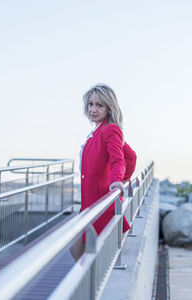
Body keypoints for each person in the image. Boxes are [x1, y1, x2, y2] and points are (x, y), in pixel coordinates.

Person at [71, 83, 137, 261]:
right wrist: (119, 179)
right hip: (90, 201)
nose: (93, 109)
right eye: (90, 104)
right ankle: (87, 285)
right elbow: (131, 157)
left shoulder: (110, 129)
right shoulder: (98, 130)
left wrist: (117, 180)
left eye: (99, 105)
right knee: (77, 248)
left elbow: (120, 160)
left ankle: (90, 287)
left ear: (109, 108)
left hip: (100, 202)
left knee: (84, 253)